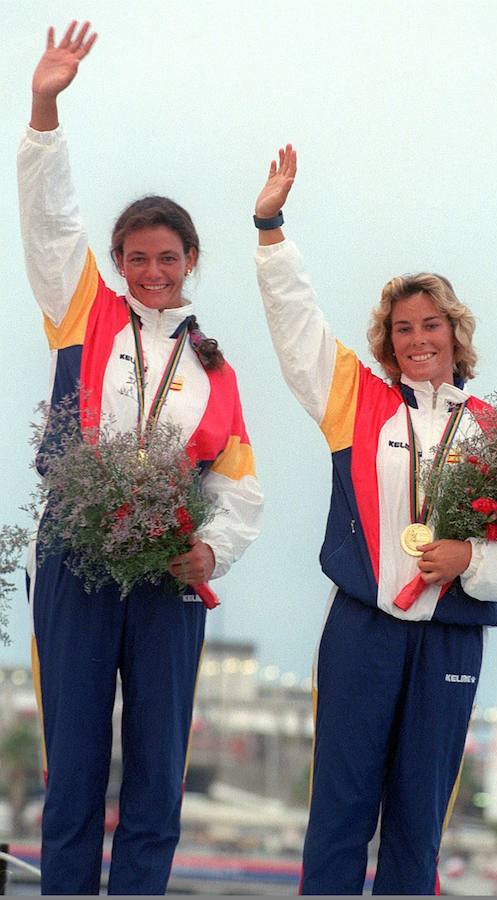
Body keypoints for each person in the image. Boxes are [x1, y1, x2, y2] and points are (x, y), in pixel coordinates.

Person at [253, 146, 497, 895]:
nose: (418, 339)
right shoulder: (357, 401)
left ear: (455, 332)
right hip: (361, 632)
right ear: (389, 341)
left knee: (419, 827)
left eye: (432, 325)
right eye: (403, 328)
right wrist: (271, 227)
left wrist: (469, 562)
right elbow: (298, 330)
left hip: (451, 635)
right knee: (341, 817)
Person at [18, 22, 263, 895]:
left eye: (167, 258)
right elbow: (52, 220)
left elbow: (239, 488)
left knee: (158, 779)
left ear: (192, 261)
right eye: (137, 259)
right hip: (80, 563)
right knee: (75, 773)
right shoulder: (83, 312)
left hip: (167, 575)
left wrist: (212, 551)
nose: (152, 271)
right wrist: (46, 106)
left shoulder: (215, 369)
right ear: (118, 265)